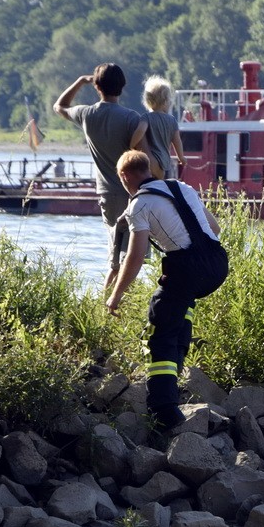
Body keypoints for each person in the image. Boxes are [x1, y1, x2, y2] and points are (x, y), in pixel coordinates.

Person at [105, 150, 228, 432]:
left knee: (159, 325)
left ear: (125, 176)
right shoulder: (182, 188)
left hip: (187, 267)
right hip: (218, 263)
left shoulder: (140, 204)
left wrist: (116, 295)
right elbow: (216, 227)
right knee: (176, 307)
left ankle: (164, 410)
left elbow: (135, 256)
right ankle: (176, 366)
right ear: (148, 169)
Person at [53, 63, 149, 288]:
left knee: (116, 259)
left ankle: (108, 304)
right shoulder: (132, 119)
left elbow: (60, 106)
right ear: (123, 87)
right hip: (134, 193)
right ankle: (117, 305)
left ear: (97, 87)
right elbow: (145, 159)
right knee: (133, 256)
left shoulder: (86, 114)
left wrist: (80, 80)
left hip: (107, 194)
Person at [132, 75, 186, 179]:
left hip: (149, 161)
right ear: (166, 101)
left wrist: (131, 144)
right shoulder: (172, 120)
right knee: (159, 186)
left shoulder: (146, 117)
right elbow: (177, 141)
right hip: (164, 163)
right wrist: (181, 157)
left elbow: (140, 130)